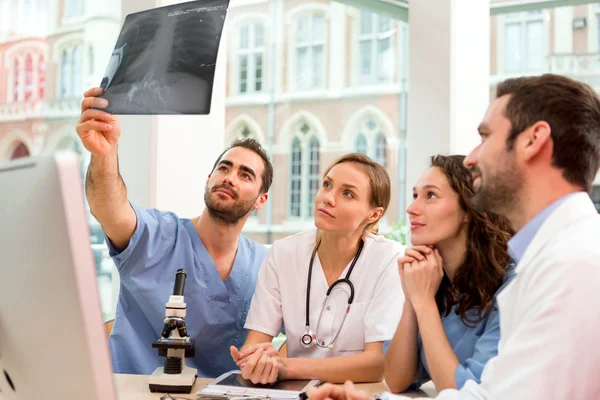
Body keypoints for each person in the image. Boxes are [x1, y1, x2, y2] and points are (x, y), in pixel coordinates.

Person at [307, 73, 600, 400]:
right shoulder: (554, 258)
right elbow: (492, 394)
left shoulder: (573, 266)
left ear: (533, 140)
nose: (473, 158)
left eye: (485, 136)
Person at [75, 87, 273, 376]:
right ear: (209, 179)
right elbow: (108, 209)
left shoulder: (264, 267)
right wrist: (104, 154)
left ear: (261, 199)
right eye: (224, 168)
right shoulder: (158, 236)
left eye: (245, 175)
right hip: (134, 393)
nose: (230, 178)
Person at [230, 153, 405, 384]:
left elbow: (377, 364)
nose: (328, 198)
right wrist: (254, 361)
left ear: (373, 214)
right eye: (327, 185)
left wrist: (287, 366)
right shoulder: (283, 253)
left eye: (348, 194)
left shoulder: (388, 259)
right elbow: (256, 342)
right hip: (294, 392)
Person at [385, 155, 514, 393]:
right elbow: (396, 380)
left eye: (430, 195)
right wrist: (412, 299)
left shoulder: (511, 285)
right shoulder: (433, 279)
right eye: (415, 196)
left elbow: (464, 395)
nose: (412, 209)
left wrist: (424, 303)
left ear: (469, 208)